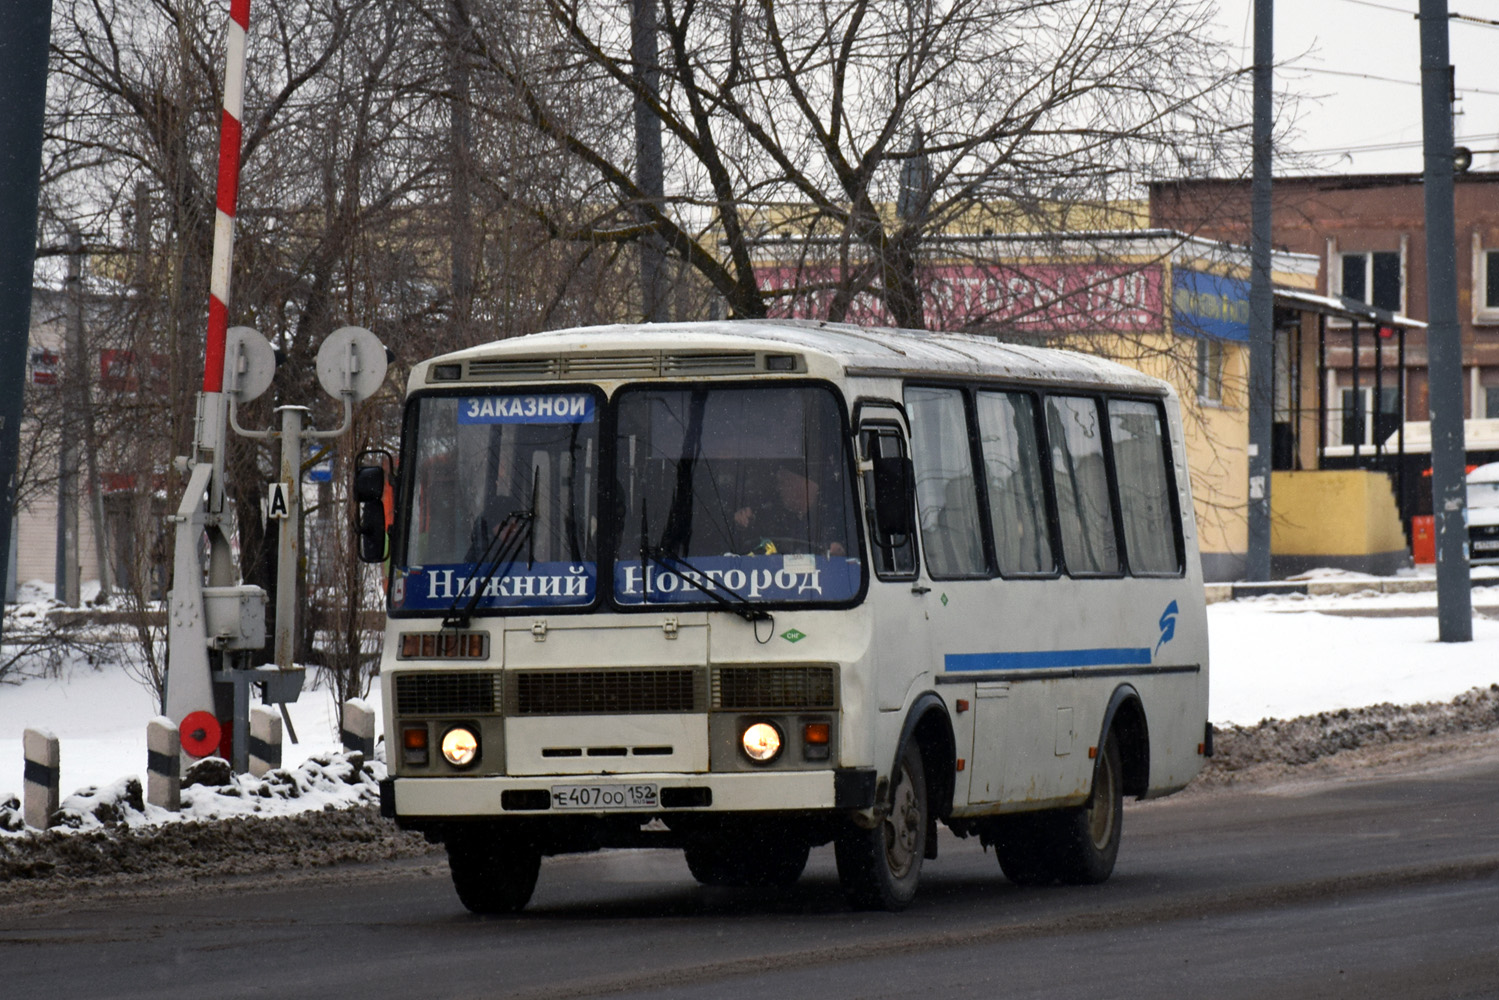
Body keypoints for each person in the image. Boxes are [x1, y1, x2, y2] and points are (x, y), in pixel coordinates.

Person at [734, 462, 846, 556]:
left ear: (801, 484)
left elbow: (852, 556)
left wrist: (837, 551)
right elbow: (753, 543)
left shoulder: (838, 512)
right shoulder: (777, 515)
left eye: (782, 482)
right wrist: (742, 521)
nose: (778, 489)